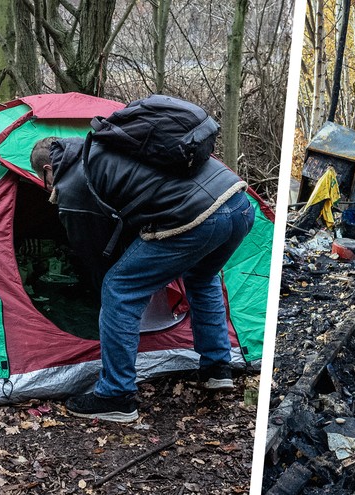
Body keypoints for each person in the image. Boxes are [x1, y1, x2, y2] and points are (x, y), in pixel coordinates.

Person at [30, 133, 253, 423]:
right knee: (201, 276)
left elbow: (93, 254)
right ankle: (217, 368)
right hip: (238, 202)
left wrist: (104, 292)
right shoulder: (103, 147)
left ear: (48, 169)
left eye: (43, 181)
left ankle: (115, 395)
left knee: (118, 288)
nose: (47, 189)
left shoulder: (72, 184)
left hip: (198, 218)